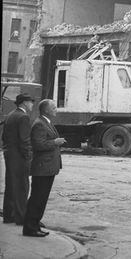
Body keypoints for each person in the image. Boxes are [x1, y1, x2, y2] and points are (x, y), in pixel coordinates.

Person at [22, 99, 66, 237]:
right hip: (42, 168)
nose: (56, 109)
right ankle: (30, 228)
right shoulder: (39, 124)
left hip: (47, 168)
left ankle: (34, 225)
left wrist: (55, 142)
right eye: (53, 107)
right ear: (46, 110)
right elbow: (39, 145)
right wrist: (55, 142)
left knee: (40, 198)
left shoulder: (46, 122)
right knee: (37, 198)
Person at [2, 93, 34, 226]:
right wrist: (28, 156)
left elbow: (4, 137)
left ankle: (8, 215)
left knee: (11, 185)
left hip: (9, 154)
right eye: (31, 102)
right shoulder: (23, 117)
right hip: (19, 157)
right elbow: (25, 140)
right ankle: (21, 217)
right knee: (22, 186)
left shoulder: (10, 115)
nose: (32, 104)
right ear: (24, 103)